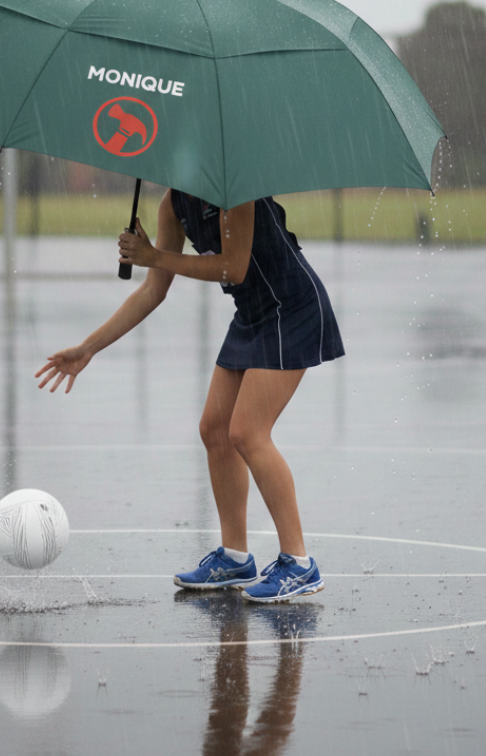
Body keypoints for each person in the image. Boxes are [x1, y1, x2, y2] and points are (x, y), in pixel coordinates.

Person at [35, 189, 343, 603]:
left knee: (249, 434)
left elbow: (232, 269)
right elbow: (152, 291)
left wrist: (153, 255)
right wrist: (88, 348)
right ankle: (235, 557)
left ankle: (299, 563)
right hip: (253, 313)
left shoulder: (236, 191)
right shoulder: (173, 205)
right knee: (215, 429)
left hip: (292, 309)